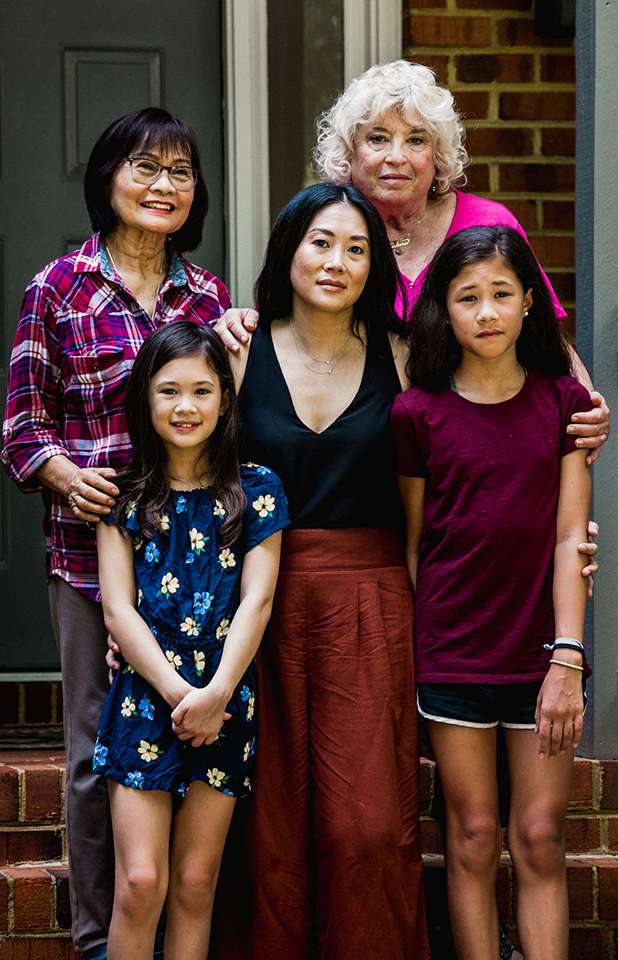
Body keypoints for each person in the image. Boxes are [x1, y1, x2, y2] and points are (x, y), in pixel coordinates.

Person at [1, 108, 230, 960]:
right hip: (88, 564)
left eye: (180, 171)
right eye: (145, 167)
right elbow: (22, 434)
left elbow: (232, 419)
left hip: (194, 566)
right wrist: (67, 474)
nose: (163, 184)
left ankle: (186, 929)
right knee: (102, 756)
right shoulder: (55, 288)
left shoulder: (208, 299)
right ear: (108, 178)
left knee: (193, 740)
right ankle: (102, 939)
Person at [211, 183, 430, 960]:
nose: (336, 262)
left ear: (376, 267)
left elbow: (434, 496)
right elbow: (195, 489)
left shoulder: (404, 357)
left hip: (372, 604)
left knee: (367, 821)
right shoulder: (236, 349)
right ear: (289, 250)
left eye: (357, 247)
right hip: (257, 604)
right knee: (266, 820)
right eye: (321, 242)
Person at [218, 59, 609, 472]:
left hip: (470, 459)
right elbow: (287, 329)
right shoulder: (326, 228)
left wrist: (585, 407)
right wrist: (241, 321)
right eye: (378, 138)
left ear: (438, 156)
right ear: (349, 154)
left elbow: (542, 335)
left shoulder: (487, 225)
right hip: (360, 462)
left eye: (416, 140)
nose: (396, 157)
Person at [390, 225, 592, 960]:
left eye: (502, 294)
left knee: (537, 836)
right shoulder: (418, 414)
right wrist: (425, 648)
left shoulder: (565, 404)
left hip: (542, 652)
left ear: (530, 304)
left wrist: (566, 660)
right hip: (454, 656)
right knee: (472, 836)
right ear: (444, 308)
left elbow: (573, 536)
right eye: (467, 297)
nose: (486, 312)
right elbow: (417, 546)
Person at [94, 322, 288, 960]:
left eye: (202, 391)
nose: (185, 407)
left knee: (197, 882)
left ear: (225, 400)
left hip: (226, 697)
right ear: (145, 402)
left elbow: (258, 600)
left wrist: (216, 694)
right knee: (141, 882)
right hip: (146, 698)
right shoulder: (122, 496)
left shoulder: (257, 491)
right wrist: (183, 695)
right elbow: (119, 612)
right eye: (169, 391)